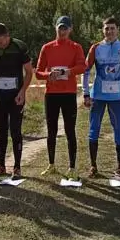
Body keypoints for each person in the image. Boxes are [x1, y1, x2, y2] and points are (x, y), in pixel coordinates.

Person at [82, 17, 120, 180]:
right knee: (94, 130)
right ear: (102, 30)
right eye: (106, 28)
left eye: (112, 28)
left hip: (116, 97)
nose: (109, 31)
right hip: (98, 96)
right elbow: (85, 71)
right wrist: (86, 93)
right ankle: (93, 166)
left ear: (117, 29)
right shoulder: (96, 48)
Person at [35, 15, 86, 180]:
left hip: (69, 94)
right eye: (60, 28)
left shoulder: (76, 47)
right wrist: (48, 75)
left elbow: (83, 67)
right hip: (51, 94)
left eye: (65, 28)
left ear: (70, 29)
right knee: (51, 131)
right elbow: (38, 72)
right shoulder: (47, 48)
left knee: (70, 130)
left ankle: (72, 167)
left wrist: (70, 71)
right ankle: (51, 165)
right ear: (55, 28)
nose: (62, 31)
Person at [0, 23, 33, 180]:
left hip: (16, 95)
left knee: (15, 131)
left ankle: (17, 167)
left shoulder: (19, 46)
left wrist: (22, 92)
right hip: (0, 95)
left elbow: (29, 72)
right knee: (1, 131)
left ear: (7, 36)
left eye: (1, 42)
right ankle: (1, 165)